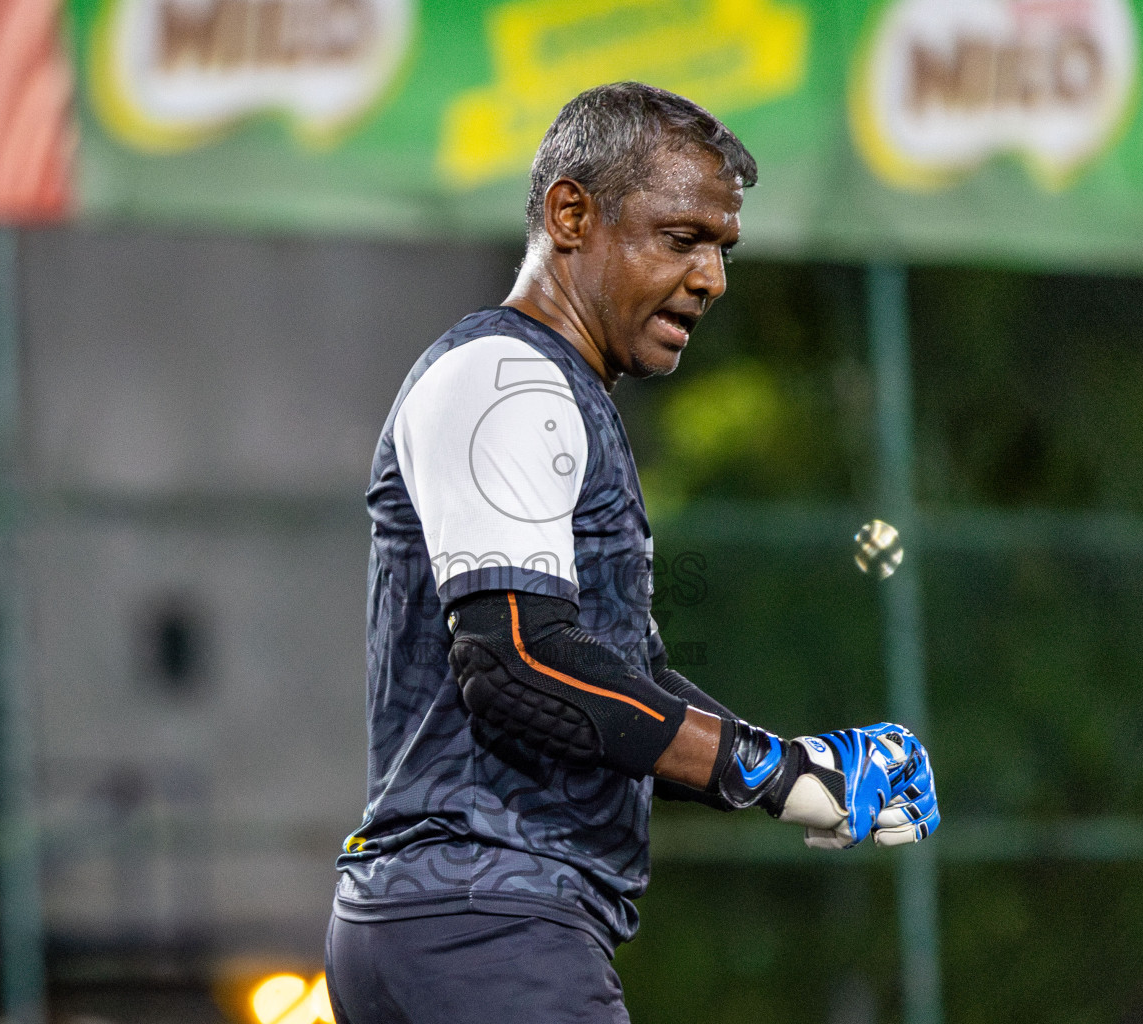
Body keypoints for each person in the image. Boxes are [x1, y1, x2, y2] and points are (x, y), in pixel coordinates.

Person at [326, 81, 941, 1024]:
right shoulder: (506, 379)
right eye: (682, 237)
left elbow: (617, 682)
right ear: (571, 214)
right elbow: (518, 660)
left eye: (722, 249)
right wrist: (766, 773)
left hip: (465, 922)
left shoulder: (544, 388)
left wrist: (793, 765)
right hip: (486, 921)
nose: (713, 278)